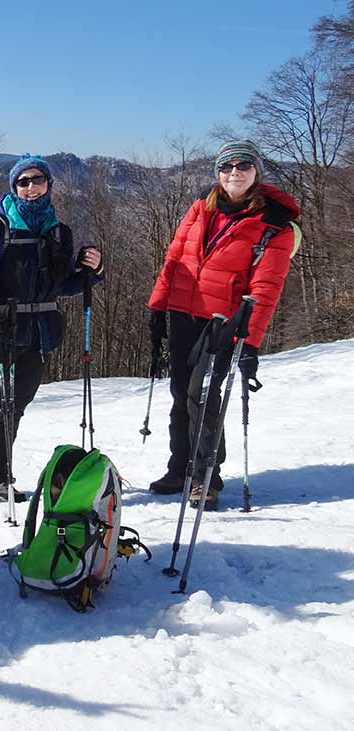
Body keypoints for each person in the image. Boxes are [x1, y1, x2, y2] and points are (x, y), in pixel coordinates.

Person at [0, 154, 102, 509]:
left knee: (15, 409)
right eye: (23, 182)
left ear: (49, 184)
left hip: (38, 333)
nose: (30, 187)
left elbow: (62, 287)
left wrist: (95, 270)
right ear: (13, 187)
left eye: (37, 180)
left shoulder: (59, 232)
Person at [147, 140, 298, 510]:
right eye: (227, 167)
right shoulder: (202, 206)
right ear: (217, 172)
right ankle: (180, 467)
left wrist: (250, 341)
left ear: (256, 172)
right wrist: (157, 307)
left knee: (203, 396)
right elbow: (175, 257)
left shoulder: (275, 225)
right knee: (181, 393)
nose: (234, 173)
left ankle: (206, 478)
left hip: (224, 321)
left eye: (243, 166)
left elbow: (266, 288)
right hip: (184, 313)